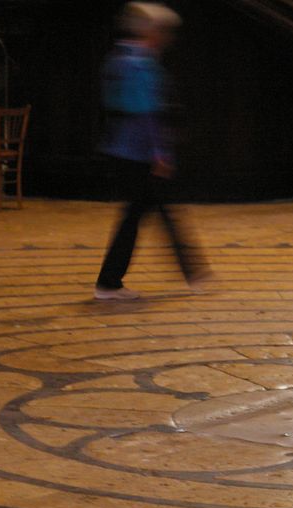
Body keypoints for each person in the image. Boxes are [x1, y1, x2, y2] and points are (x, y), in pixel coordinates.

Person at [94, 1, 208, 300]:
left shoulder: (118, 58)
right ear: (152, 31)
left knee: (143, 213)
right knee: (150, 213)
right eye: (164, 31)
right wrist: (160, 154)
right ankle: (111, 282)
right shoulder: (139, 64)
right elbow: (144, 113)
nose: (167, 38)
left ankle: (189, 273)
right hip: (138, 153)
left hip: (121, 150)